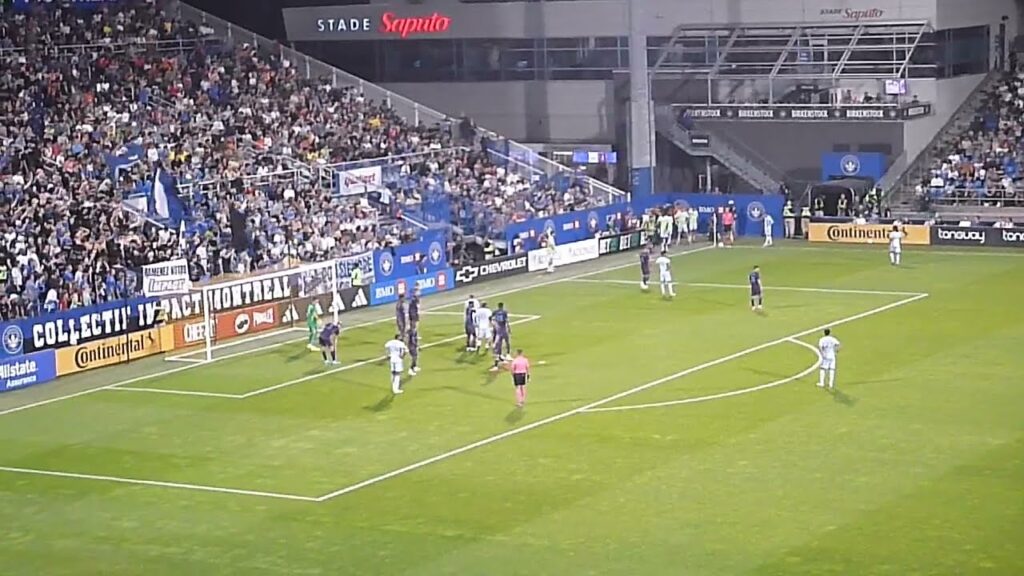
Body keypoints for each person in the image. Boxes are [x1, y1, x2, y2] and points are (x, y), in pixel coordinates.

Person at [491, 302, 511, 369]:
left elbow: (490, 317)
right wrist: (509, 328)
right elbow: (506, 321)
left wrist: (492, 323)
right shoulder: (504, 312)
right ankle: (506, 355)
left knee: (498, 345)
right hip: (503, 329)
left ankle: (500, 357)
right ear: (502, 306)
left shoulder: (495, 312)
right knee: (506, 341)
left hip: (498, 330)